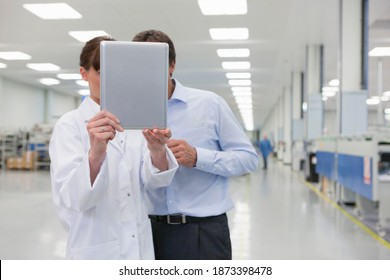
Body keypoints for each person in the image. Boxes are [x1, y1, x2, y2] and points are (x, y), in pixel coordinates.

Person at [132, 30, 259, 260]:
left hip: (204, 233)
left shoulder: (209, 104)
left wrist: (198, 157)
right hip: (149, 232)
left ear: (172, 65)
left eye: (154, 62)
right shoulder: (128, 114)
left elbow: (248, 159)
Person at [49, 36, 178, 260]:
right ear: (83, 73)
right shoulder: (70, 125)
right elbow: (73, 199)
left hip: (138, 246)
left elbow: (155, 182)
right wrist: (96, 154)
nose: (110, 79)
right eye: (101, 71)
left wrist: (157, 151)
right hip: (95, 247)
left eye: (116, 71)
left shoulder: (135, 124)